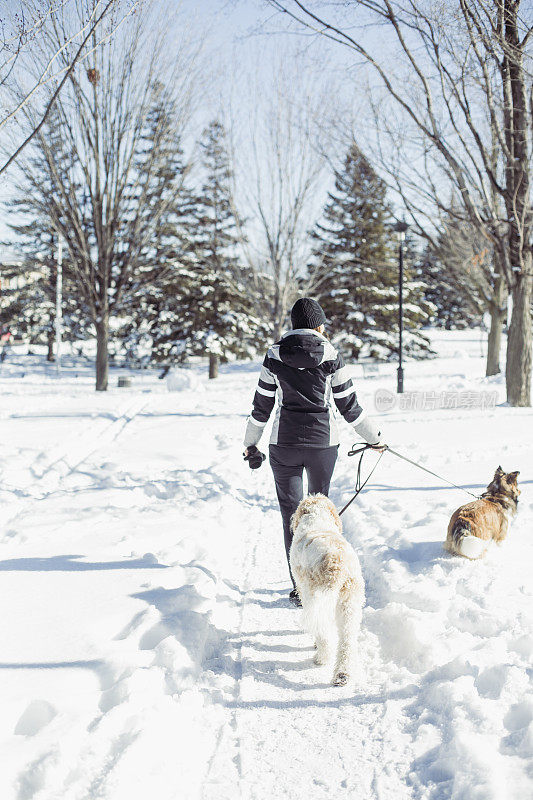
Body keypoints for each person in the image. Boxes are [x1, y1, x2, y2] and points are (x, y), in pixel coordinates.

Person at [243, 297, 386, 606]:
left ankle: (300, 587)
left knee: (291, 516)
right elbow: (349, 407)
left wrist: (250, 442)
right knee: (320, 516)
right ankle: (324, 578)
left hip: (284, 445)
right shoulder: (331, 355)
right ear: (320, 325)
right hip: (324, 445)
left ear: (294, 325)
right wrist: (374, 438)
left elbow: (261, 407)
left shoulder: (274, 356)